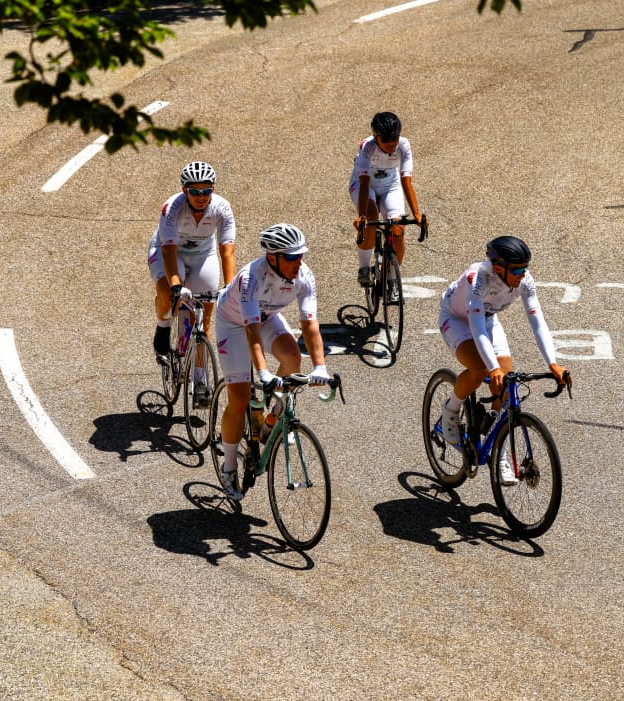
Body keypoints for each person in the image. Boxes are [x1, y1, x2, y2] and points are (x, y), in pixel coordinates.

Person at [437, 235, 570, 485]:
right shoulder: (477, 279)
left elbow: (537, 321)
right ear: (498, 268)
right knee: (478, 370)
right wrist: (492, 367)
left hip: (488, 320)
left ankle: (499, 453)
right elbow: (475, 328)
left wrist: (552, 363)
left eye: (525, 268)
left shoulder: (524, 281)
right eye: (517, 269)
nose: (523, 274)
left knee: (507, 384)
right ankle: (450, 413)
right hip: (458, 320)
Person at [214, 223, 329, 499]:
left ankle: (270, 422)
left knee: (292, 357)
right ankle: (229, 467)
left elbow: (310, 325)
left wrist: (320, 366)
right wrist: (263, 371)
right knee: (239, 398)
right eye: (291, 257)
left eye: (300, 255)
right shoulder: (250, 278)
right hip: (233, 324)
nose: (298, 262)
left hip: (267, 319)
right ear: (273, 257)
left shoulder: (304, 276)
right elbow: (250, 330)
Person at [148, 160, 237, 406]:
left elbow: (227, 251)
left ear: (213, 189)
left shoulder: (222, 208)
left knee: (203, 321)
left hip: (203, 255)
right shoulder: (172, 208)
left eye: (206, 190)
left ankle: (200, 382)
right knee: (168, 294)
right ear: (185, 190)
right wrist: (176, 285)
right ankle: (163, 326)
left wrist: (230, 288)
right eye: (195, 191)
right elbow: (167, 249)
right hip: (170, 251)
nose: (201, 196)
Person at [349, 111, 425, 287]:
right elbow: (365, 181)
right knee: (371, 218)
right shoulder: (367, 147)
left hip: (391, 185)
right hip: (364, 185)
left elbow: (406, 181)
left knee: (398, 230)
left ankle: (390, 278)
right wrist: (362, 216)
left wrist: (417, 214)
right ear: (376, 137)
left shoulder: (404, 145)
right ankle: (364, 268)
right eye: (386, 141)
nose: (392, 145)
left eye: (395, 140)